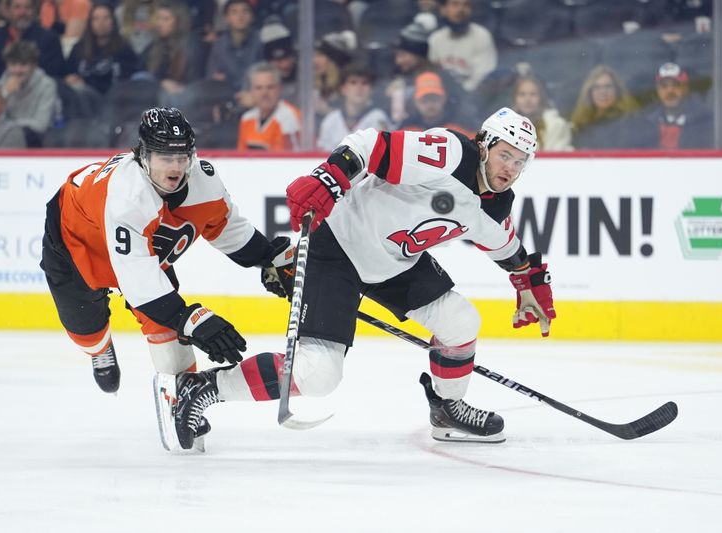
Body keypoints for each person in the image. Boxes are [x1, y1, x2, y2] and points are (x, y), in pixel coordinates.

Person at [159, 107, 557, 450]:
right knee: (318, 375)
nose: (511, 168)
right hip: (338, 247)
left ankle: (447, 408)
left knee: (461, 321)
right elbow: (372, 145)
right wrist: (330, 177)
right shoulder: (450, 154)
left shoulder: (497, 202)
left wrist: (526, 278)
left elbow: (503, 244)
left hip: (397, 263)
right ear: (485, 144)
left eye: (521, 161)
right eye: (505, 154)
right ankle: (205, 388)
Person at [39, 106, 296, 450]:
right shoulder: (127, 196)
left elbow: (228, 230)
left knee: (170, 328)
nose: (175, 167)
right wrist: (192, 319)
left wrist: (268, 258)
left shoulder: (203, 179)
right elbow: (140, 284)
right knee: (87, 329)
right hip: (74, 242)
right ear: (143, 156)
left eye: (182, 156)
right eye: (164, 156)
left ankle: (183, 403)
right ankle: (99, 350)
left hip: (141, 254)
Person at [633, 62, 714, 149]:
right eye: (663, 86)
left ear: (686, 88)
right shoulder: (644, 123)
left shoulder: (704, 121)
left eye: (676, 85)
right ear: (657, 90)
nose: (670, 91)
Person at [0, 0, 66, 79]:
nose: (23, 12)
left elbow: (55, 74)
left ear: (34, 11)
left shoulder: (50, 39)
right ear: (8, 10)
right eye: (17, 7)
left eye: (27, 7)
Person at [65, 2, 139, 96]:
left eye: (106, 18)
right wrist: (69, 79)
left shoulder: (124, 50)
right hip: (80, 99)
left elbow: (124, 83)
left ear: (113, 21)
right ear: (90, 22)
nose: (101, 23)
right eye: (96, 19)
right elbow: (67, 73)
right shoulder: (78, 49)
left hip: (111, 100)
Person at [0, 40, 61, 147]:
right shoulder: (1, 84)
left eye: (23, 64)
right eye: (13, 64)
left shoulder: (47, 85)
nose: (17, 70)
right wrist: (4, 94)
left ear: (33, 65)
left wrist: (8, 126)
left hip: (39, 140)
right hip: (6, 137)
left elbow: (41, 125)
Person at [317, 61, 391, 151]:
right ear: (343, 88)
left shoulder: (378, 118)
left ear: (371, 89)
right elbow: (321, 154)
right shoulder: (330, 121)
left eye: (364, 83)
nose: (359, 88)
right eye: (353, 82)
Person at [428, 0, 497, 93]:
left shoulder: (481, 36)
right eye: (455, 4)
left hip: (473, 95)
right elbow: (432, 73)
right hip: (440, 96)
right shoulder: (436, 39)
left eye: (466, 5)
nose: (460, 9)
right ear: (443, 9)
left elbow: (483, 77)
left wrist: (461, 93)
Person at [570, 65, 638, 150]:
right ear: (590, 92)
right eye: (597, 87)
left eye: (608, 86)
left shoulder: (631, 123)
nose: (603, 92)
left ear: (617, 90)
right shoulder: (580, 125)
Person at [236, 61, 300, 151]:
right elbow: (241, 157)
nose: (264, 93)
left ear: (280, 89)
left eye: (270, 87)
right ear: (251, 91)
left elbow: (285, 160)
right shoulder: (246, 119)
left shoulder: (289, 116)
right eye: (259, 88)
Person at [399, 70, 475, 138]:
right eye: (424, 101)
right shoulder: (406, 129)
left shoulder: (462, 126)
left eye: (434, 99)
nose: (430, 105)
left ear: (444, 99)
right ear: (416, 102)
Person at [511, 73, 573, 151]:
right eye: (522, 94)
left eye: (533, 94)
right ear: (515, 98)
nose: (527, 99)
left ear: (542, 98)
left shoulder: (557, 125)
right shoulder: (505, 126)